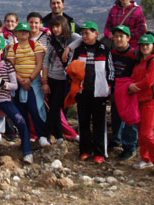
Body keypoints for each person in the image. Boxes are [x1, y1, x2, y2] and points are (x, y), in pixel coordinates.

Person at [0, 35, 33, 165]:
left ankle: (27, 151)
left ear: (3, 50)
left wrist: (3, 83)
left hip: (4, 99)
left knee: (20, 122)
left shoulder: (8, 65)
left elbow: (14, 85)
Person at [69, 21, 114, 164]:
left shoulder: (104, 49)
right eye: (83, 33)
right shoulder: (79, 50)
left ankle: (100, 152)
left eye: (88, 33)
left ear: (96, 33)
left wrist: (109, 87)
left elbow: (111, 70)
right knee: (83, 123)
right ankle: (85, 150)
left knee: (99, 123)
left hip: (99, 92)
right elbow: (70, 68)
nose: (85, 36)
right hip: (83, 92)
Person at [129, 34, 154, 170]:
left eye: (147, 45)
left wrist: (135, 87)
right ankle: (145, 158)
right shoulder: (140, 62)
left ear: (153, 46)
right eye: (142, 45)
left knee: (147, 133)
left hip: (149, 101)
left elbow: (149, 80)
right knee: (142, 132)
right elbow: (134, 77)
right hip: (139, 100)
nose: (145, 47)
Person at [6, 22, 48, 147]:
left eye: (26, 31)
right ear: (16, 33)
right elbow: (11, 66)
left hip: (33, 83)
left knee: (36, 110)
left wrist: (29, 79)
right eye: (21, 31)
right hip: (18, 84)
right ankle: (26, 137)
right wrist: (20, 80)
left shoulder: (35, 45)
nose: (23, 33)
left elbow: (39, 63)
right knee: (22, 112)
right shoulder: (13, 48)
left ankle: (42, 135)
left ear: (29, 33)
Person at [42, 15, 81, 144]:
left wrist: (69, 48)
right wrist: (45, 81)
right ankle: (56, 135)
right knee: (55, 107)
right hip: (52, 78)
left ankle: (48, 135)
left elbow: (82, 39)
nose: (55, 29)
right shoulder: (51, 40)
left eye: (57, 26)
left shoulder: (72, 37)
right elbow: (46, 61)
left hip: (64, 79)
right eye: (53, 27)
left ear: (64, 26)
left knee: (56, 106)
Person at [108, 25, 139, 161]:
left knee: (129, 120)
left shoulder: (134, 54)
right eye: (116, 36)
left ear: (128, 38)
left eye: (122, 36)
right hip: (116, 91)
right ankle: (116, 140)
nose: (118, 39)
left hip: (130, 92)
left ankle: (130, 147)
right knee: (116, 117)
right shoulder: (112, 53)